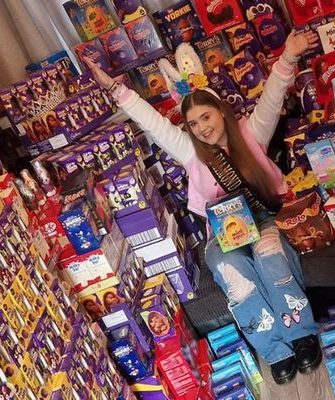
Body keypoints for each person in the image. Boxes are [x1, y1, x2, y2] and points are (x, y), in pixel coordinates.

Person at [85, 30, 322, 385]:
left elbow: (272, 97)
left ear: (221, 113)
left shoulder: (251, 134)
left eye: (206, 118)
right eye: (194, 124)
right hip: (222, 233)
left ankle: (300, 334)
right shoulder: (191, 152)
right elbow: (155, 124)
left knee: (269, 255)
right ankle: (273, 349)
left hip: (263, 218)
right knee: (229, 269)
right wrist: (116, 89)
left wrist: (288, 57)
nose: (202, 128)